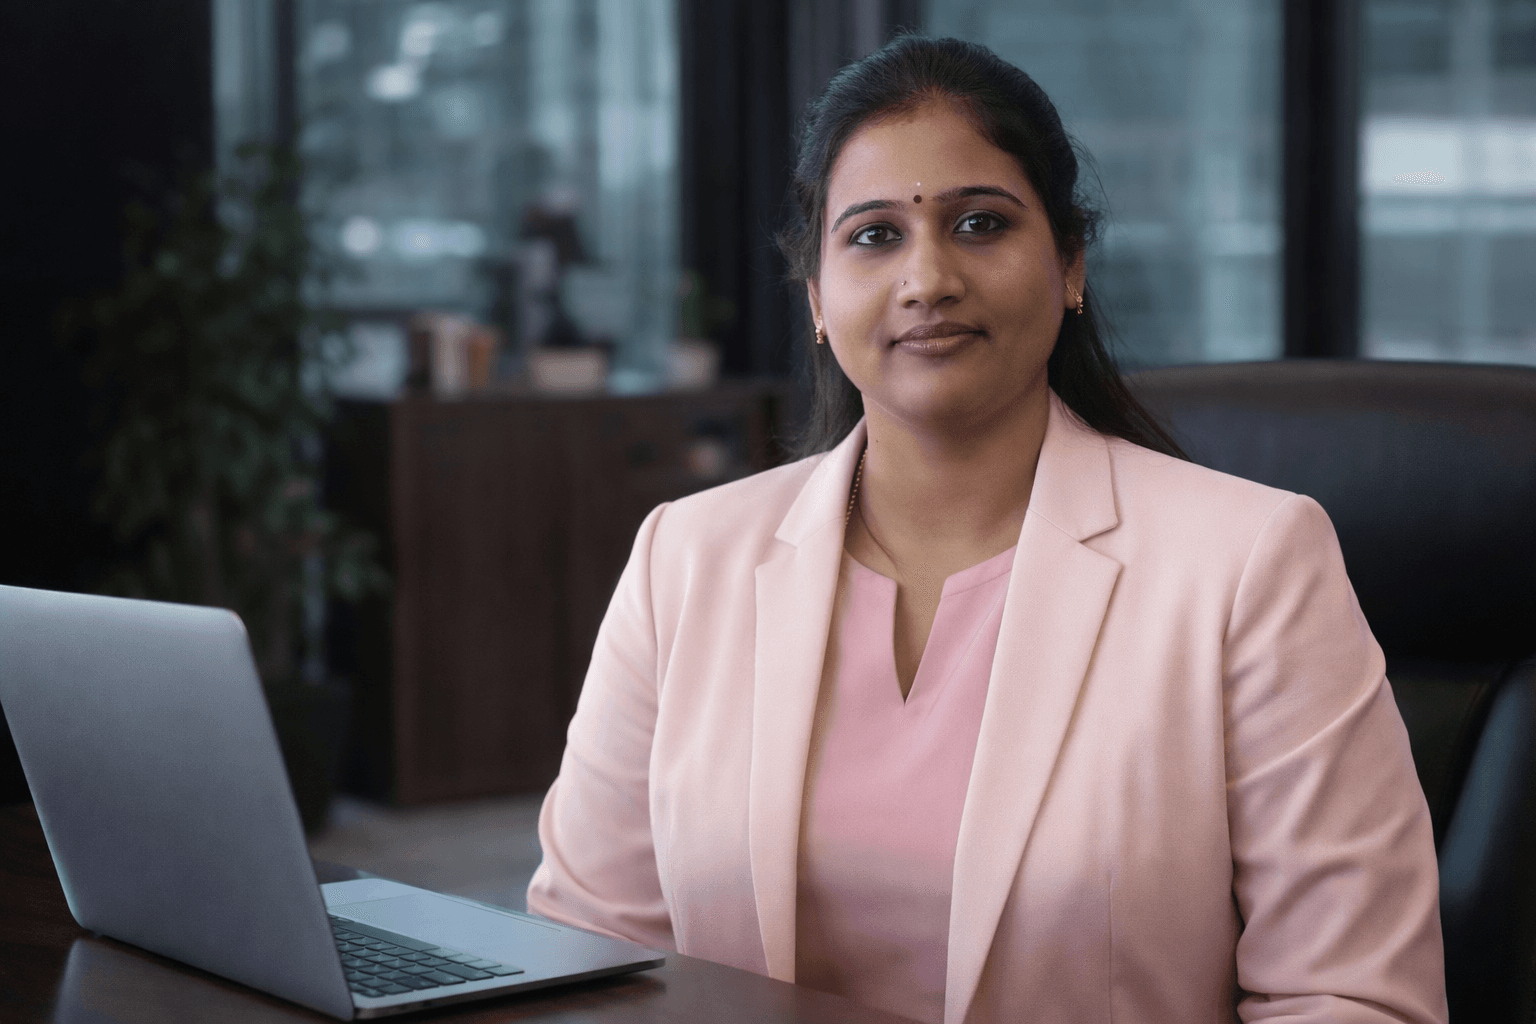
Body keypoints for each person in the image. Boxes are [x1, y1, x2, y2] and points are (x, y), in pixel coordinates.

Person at [527, 35, 1446, 1024]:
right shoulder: (686, 559)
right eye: (874, 236)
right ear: (818, 305)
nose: (927, 279)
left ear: (1071, 265)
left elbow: (1353, 998)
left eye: (979, 223)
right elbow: (585, 958)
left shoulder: (1249, 565)